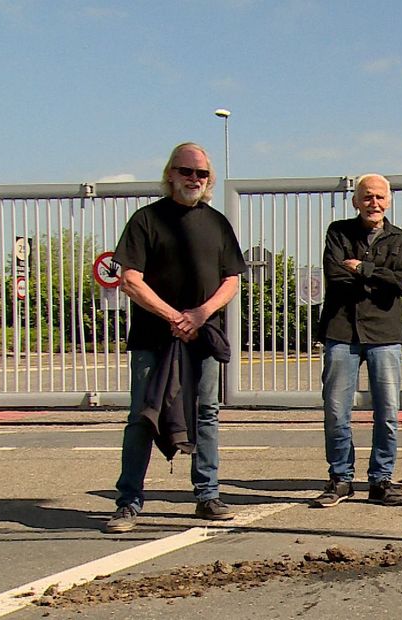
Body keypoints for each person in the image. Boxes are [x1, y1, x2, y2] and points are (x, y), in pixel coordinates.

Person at [106, 142, 246, 533]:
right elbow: (131, 281)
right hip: (154, 339)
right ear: (171, 174)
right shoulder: (146, 220)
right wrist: (174, 316)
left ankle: (207, 494)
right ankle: (128, 502)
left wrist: (200, 315)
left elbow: (231, 280)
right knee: (142, 418)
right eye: (187, 172)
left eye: (202, 174)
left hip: (203, 336)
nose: (194, 180)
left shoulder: (217, 223)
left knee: (207, 415)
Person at [312, 174, 402, 508]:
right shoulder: (338, 232)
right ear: (356, 201)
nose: (374, 203)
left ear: (389, 200)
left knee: (388, 412)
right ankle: (340, 478)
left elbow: (401, 283)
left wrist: (362, 268)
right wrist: (375, 275)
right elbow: (335, 276)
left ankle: (381, 479)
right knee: (337, 410)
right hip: (341, 332)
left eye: (380, 197)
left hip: (384, 335)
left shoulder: (400, 239)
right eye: (367, 197)